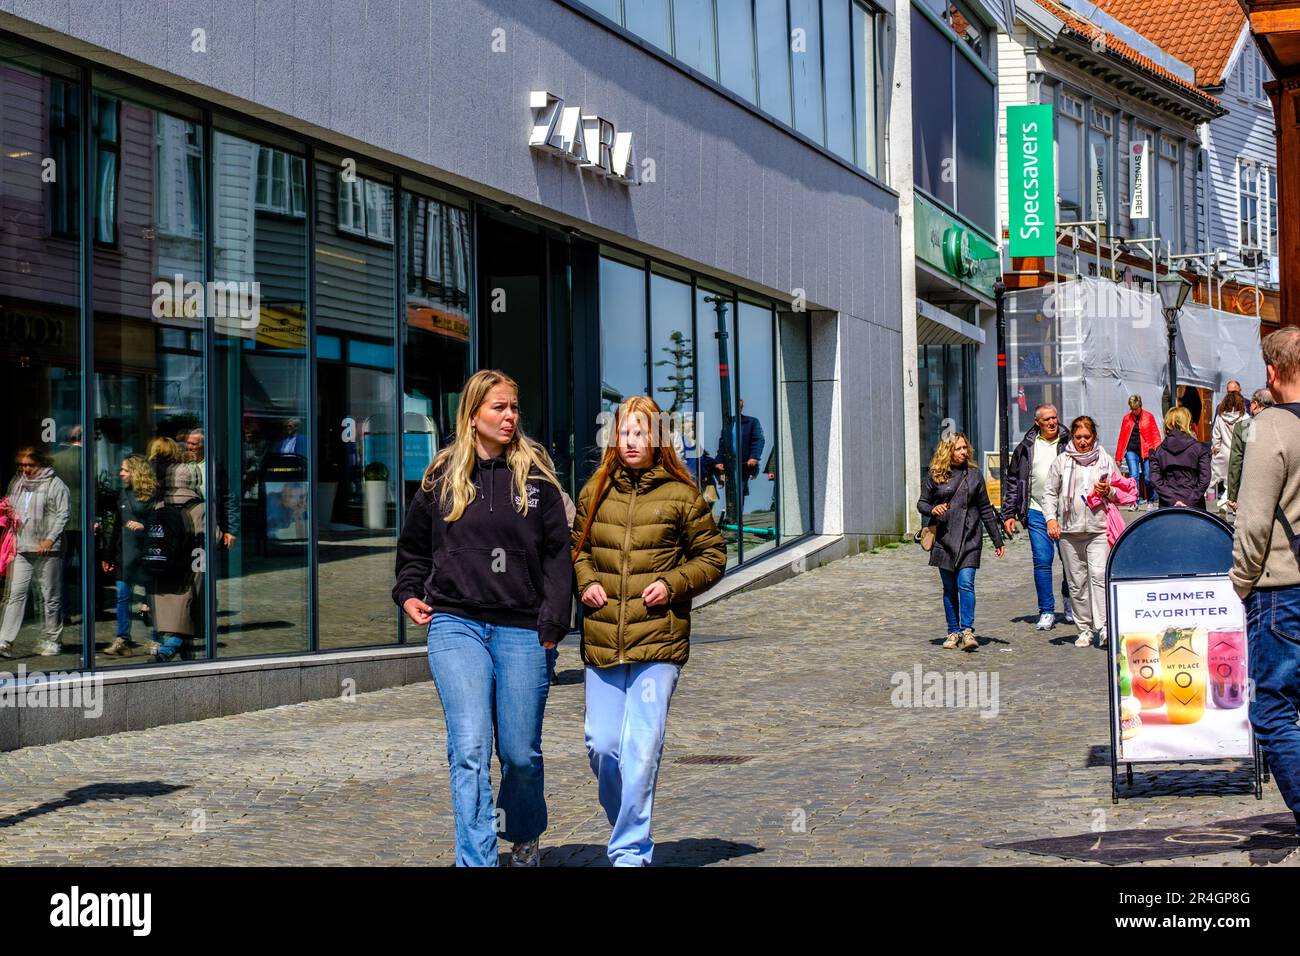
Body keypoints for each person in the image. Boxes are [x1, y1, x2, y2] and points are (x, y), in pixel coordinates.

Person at [393, 370, 572, 868]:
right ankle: (478, 859)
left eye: (514, 407)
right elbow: (413, 550)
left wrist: (552, 626)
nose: (510, 416)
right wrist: (408, 592)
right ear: (472, 415)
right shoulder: (440, 478)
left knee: (519, 753)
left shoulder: (537, 481)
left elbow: (559, 558)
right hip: (456, 624)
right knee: (469, 745)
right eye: (499, 408)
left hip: (523, 629)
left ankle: (524, 834)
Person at [572, 395, 725, 865]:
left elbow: (713, 558)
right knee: (603, 745)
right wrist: (587, 583)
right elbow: (577, 552)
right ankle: (626, 823)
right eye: (624, 432)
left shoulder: (683, 495)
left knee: (641, 748)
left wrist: (670, 583)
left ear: (657, 438)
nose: (631, 440)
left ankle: (629, 852)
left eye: (641, 432)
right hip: (602, 641)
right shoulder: (595, 490)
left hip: (657, 640)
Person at [1229, 327, 1300, 850]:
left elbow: (1253, 521)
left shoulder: (1265, 427)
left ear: (1272, 373)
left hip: (1282, 586)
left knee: (1272, 709)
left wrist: (1241, 579)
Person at [917, 433, 1005, 651]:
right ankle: (952, 631)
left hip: (969, 538)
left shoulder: (974, 475)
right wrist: (932, 509)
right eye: (958, 449)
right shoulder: (935, 476)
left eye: (965, 448)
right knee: (949, 588)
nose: (964, 452)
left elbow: (985, 508)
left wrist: (997, 539)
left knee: (965, 583)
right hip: (944, 539)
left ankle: (967, 630)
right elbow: (922, 503)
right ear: (948, 451)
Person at [1043, 416, 1122, 648]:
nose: (1083, 442)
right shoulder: (1062, 461)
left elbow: (1120, 488)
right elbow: (1049, 492)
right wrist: (1051, 519)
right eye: (1078, 437)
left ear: (1094, 437)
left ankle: (1104, 627)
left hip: (1099, 529)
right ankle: (1084, 628)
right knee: (1077, 582)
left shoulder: (1104, 459)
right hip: (1069, 531)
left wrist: (1109, 490)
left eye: (1087, 437)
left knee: (1099, 577)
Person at [1001, 403, 1072, 630]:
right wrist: (1008, 513)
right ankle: (1047, 610)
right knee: (1042, 561)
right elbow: (1014, 482)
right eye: (1047, 419)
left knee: (1070, 562)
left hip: (1065, 511)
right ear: (1037, 422)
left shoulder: (1068, 444)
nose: (1052, 422)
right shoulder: (1026, 447)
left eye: (1055, 418)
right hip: (1036, 510)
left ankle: (1070, 603)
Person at [0, 447, 71, 658]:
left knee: (50, 597)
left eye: (30, 465)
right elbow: (14, 505)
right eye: (22, 465)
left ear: (41, 463)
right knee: (15, 594)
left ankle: (52, 639)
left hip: (47, 549)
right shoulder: (19, 482)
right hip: (23, 546)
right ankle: (5, 640)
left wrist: (50, 538)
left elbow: (63, 515)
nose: (25, 469)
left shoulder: (55, 485)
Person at [144, 437, 204, 663]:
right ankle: (169, 649)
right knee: (189, 607)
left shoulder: (161, 504)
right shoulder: (199, 505)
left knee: (171, 608)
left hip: (166, 563)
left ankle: (182, 652)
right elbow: (212, 536)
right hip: (191, 563)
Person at [101, 456, 157, 657]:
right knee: (122, 596)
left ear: (136, 472)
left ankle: (156, 638)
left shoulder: (153, 495)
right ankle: (122, 638)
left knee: (152, 598)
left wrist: (145, 527)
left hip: (148, 554)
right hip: (124, 553)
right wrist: (107, 555)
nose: (121, 473)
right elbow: (117, 526)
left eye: (125, 470)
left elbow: (163, 523)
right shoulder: (123, 494)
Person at [1149, 406, 1211, 510]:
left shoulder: (1159, 451)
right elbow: (1205, 478)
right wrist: (1190, 500)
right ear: (1187, 422)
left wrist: (1173, 500)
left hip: (1167, 505)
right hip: (1194, 505)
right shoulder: (1199, 448)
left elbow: (1155, 480)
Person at [51, 424, 82, 624]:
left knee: (61, 567)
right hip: (81, 519)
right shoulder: (87, 457)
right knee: (88, 566)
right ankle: (91, 607)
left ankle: (64, 611)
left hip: (62, 519)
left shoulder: (56, 459)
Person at [1226, 388, 1275, 511]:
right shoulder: (1282, 424)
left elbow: (1236, 462)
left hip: (1250, 490)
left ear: (1254, 405)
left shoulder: (1244, 426)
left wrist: (1233, 495)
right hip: (1276, 489)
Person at [1113, 395, 1161, 511]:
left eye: (1136, 408)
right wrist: (1118, 457)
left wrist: (1158, 451)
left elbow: (1155, 435)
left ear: (1140, 405)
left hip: (1147, 450)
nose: (1134, 411)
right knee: (1133, 476)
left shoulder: (1149, 416)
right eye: (1132, 409)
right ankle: (1134, 502)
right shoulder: (1126, 419)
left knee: (1148, 477)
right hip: (1131, 451)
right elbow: (1122, 437)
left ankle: (1150, 500)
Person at [714, 399, 765, 500]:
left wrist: (754, 457)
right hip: (729, 463)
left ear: (741, 408)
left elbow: (758, 440)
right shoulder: (727, 424)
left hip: (744, 463)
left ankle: (737, 514)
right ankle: (734, 513)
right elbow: (722, 444)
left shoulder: (751, 422)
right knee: (733, 491)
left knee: (739, 489)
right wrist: (719, 461)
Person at [1210, 390, 1247, 503]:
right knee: (1234, 483)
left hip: (1222, 453)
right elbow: (1249, 440)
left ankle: (1217, 504)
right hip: (1239, 454)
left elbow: (1216, 436)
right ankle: (1228, 504)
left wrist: (1215, 449)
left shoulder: (1220, 417)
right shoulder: (1246, 418)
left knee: (1218, 482)